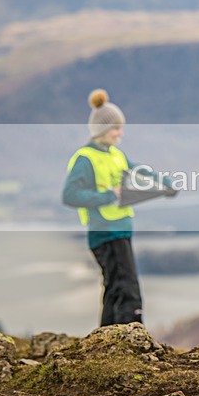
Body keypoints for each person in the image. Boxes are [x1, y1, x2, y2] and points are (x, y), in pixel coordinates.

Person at [62, 89, 172, 327]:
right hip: (105, 232)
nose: (120, 133)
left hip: (121, 229)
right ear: (102, 130)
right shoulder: (86, 159)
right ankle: (128, 344)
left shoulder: (115, 155)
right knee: (127, 289)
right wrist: (108, 195)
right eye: (115, 128)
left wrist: (164, 183)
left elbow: (139, 171)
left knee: (115, 288)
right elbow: (70, 196)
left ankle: (107, 344)